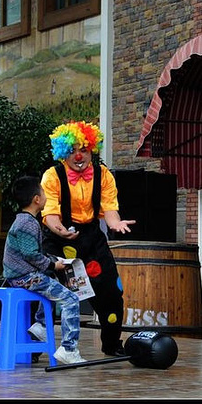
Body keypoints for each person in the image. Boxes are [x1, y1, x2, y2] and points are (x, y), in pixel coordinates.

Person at [41, 121, 136, 357]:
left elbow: (110, 208)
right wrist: (61, 230)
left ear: (92, 149)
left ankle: (112, 344)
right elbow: (50, 213)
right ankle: (33, 348)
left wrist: (115, 223)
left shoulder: (103, 175)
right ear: (64, 153)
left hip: (92, 238)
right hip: (59, 239)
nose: (79, 155)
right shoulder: (53, 176)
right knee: (47, 293)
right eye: (72, 150)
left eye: (83, 149)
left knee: (111, 292)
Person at [3, 175, 86, 365]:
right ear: (36, 199)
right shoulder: (27, 223)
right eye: (42, 191)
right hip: (24, 277)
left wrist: (54, 261)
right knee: (71, 299)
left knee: (53, 282)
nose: (45, 194)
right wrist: (52, 264)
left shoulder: (25, 221)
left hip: (24, 275)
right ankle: (69, 348)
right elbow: (31, 255)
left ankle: (40, 325)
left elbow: (33, 253)